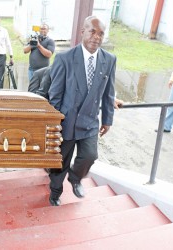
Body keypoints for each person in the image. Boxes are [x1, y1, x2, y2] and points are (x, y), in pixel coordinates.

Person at [48, 16, 116, 206]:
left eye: (101, 33)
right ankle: (55, 191)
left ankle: (76, 178)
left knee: (90, 155)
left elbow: (109, 92)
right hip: (66, 121)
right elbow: (55, 95)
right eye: (93, 31)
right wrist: (55, 123)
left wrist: (108, 119)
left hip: (90, 121)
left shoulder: (109, 60)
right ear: (83, 32)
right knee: (60, 161)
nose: (96, 37)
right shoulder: (64, 58)